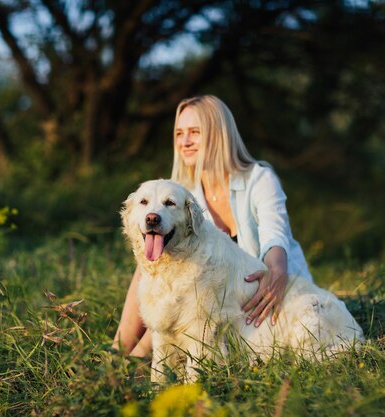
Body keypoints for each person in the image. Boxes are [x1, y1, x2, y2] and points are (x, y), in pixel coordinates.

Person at [112, 95, 313, 357]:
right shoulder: (182, 192)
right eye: (180, 133)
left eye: (195, 132)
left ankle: (136, 359)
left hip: (260, 294)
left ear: (219, 134)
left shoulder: (259, 179)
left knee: (185, 299)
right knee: (153, 267)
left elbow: (275, 236)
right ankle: (118, 353)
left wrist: (276, 270)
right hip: (211, 303)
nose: (184, 142)